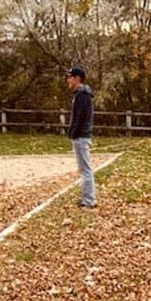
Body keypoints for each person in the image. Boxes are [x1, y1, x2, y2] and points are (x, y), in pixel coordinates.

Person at [65, 65, 96, 208]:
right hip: (81, 135)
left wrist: (74, 132)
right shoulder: (80, 94)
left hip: (81, 137)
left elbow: (81, 117)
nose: (68, 80)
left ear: (77, 78)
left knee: (85, 169)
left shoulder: (82, 95)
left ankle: (89, 200)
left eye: (70, 77)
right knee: (84, 169)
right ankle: (87, 198)